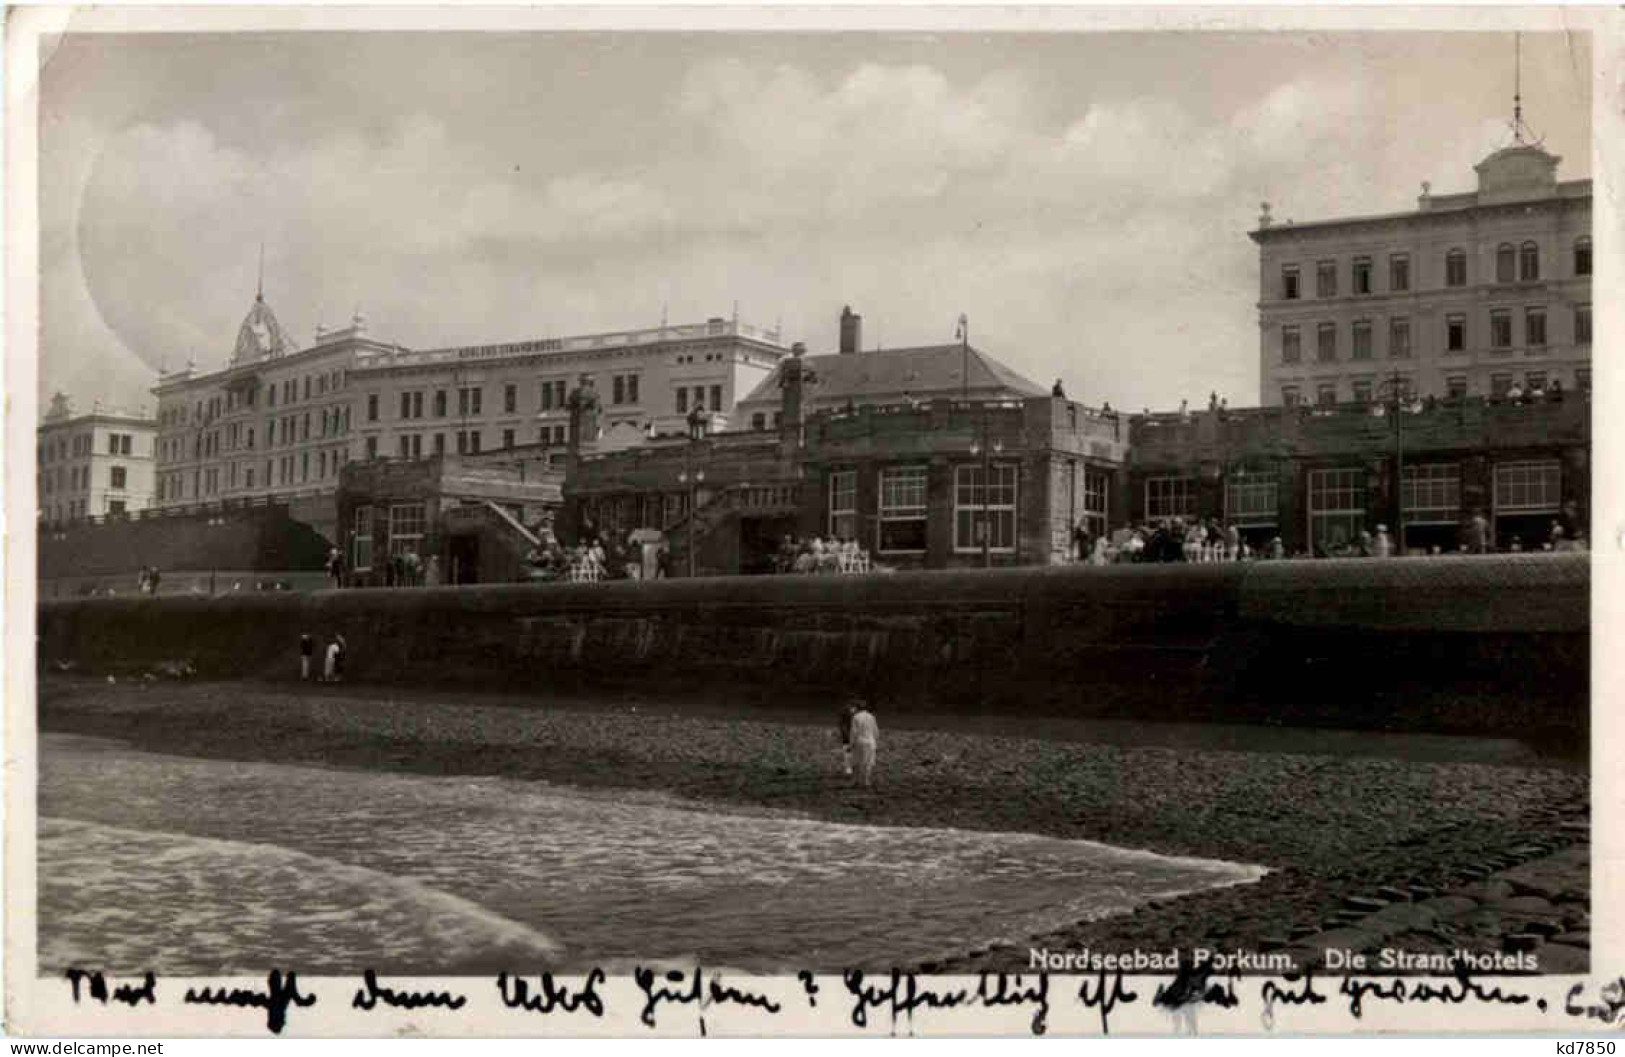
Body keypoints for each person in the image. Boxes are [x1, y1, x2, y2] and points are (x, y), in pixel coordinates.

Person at [849, 700, 879, 789]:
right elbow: (876, 731)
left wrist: (851, 744)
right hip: (871, 742)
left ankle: (857, 781)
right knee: (868, 763)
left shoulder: (856, 717)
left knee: (856, 762)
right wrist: (875, 740)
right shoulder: (871, 717)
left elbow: (854, 732)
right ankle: (866, 781)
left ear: (857, 708)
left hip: (860, 742)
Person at [838, 699, 860, 776]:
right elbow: (842, 724)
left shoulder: (857, 713)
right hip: (848, 735)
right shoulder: (845, 713)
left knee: (854, 751)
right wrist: (846, 733)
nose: (854, 708)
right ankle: (848, 768)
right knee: (848, 751)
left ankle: (852, 767)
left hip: (854, 735)